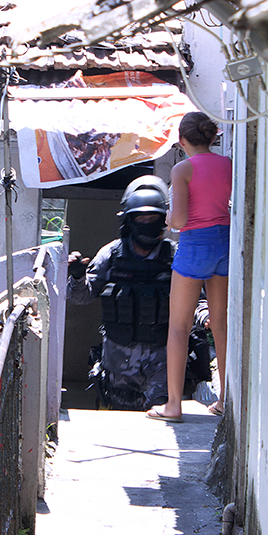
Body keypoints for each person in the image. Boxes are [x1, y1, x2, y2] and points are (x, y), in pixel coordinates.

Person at [147, 112, 232, 423]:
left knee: (179, 327)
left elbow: (180, 220)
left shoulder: (183, 169)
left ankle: (172, 405)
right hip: (224, 243)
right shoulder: (228, 165)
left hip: (195, 246)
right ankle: (224, 399)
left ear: (181, 141)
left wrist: (168, 219)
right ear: (211, 137)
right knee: (220, 325)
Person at [67, 176, 176, 411]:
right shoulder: (112, 254)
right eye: (141, 218)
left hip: (162, 358)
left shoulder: (174, 256)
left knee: (160, 422)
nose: (147, 223)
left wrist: (205, 317)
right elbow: (81, 296)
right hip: (119, 360)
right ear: (129, 220)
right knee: (121, 419)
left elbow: (196, 302)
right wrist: (77, 277)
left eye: (153, 218)